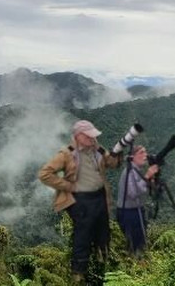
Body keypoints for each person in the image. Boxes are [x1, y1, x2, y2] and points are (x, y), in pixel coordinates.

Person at [38, 120, 121, 283]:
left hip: (99, 196)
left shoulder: (96, 149)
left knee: (104, 231)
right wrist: (67, 185)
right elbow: (45, 173)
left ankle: (104, 263)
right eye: (89, 136)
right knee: (83, 233)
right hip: (81, 200)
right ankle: (78, 273)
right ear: (79, 136)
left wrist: (116, 153)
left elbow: (111, 163)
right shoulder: (66, 154)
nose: (92, 139)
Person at [116, 145, 159, 259]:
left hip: (136, 211)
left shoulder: (136, 171)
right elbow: (133, 193)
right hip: (128, 213)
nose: (145, 155)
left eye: (145, 152)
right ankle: (134, 268)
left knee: (141, 242)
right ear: (132, 157)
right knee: (133, 245)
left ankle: (140, 266)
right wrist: (147, 176)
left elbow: (144, 190)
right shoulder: (130, 172)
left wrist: (152, 180)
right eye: (141, 152)